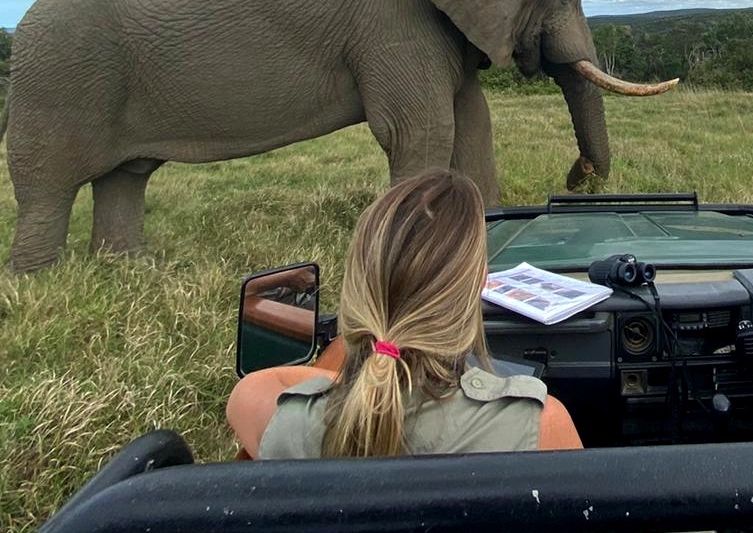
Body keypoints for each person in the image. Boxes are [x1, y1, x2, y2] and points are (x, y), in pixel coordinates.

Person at [226, 168, 582, 459]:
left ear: (357, 291)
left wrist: (357, 363)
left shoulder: (290, 425)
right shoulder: (539, 427)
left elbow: (250, 388)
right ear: (478, 285)